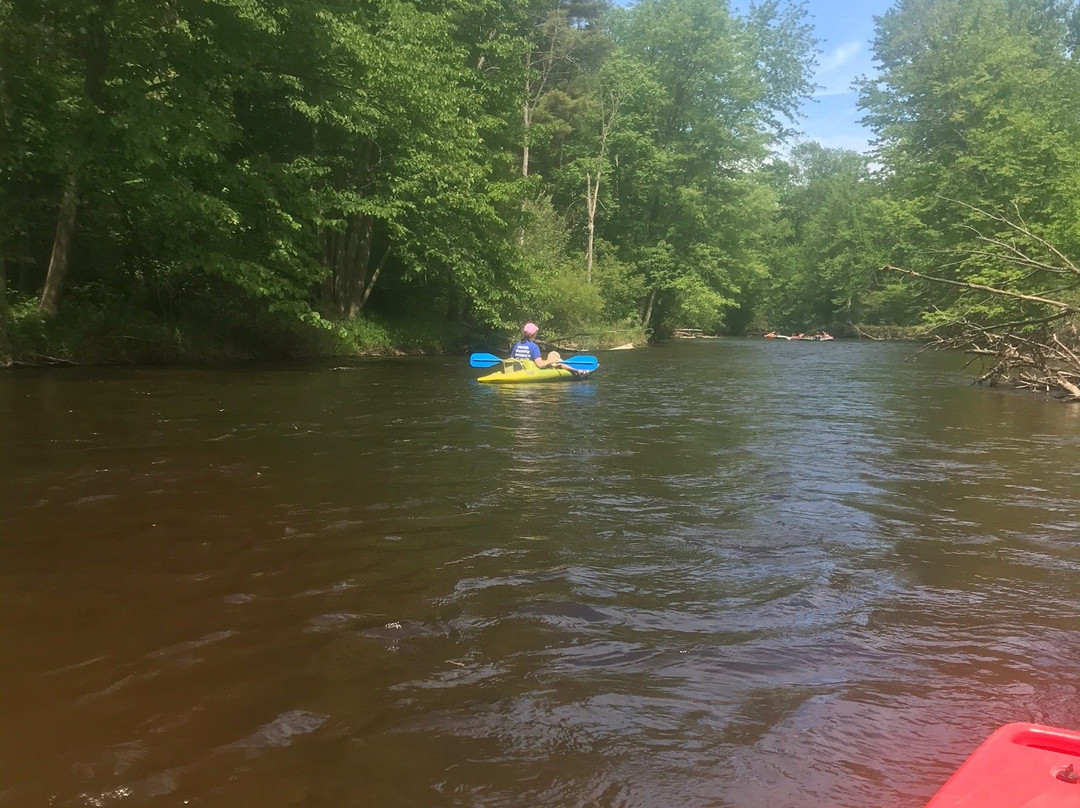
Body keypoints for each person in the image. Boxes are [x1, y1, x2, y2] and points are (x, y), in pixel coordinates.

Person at [509, 322, 587, 375]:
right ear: (534, 334)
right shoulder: (533, 347)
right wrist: (552, 361)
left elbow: (512, 359)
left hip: (521, 368)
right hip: (531, 370)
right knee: (557, 361)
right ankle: (577, 371)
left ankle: (572, 368)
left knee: (553, 353)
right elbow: (540, 365)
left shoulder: (517, 345)